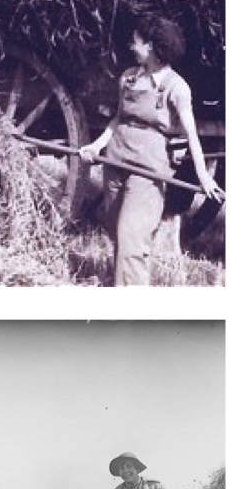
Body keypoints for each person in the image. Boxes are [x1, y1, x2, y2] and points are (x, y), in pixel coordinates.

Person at [78, 15, 223, 286]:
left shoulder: (176, 88)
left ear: (153, 47)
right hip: (116, 161)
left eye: (137, 41)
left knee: (132, 238)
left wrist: (203, 175)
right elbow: (118, 119)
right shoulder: (128, 78)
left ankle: (133, 312)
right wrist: (96, 146)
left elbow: (191, 133)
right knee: (116, 230)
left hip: (148, 169)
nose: (132, 45)